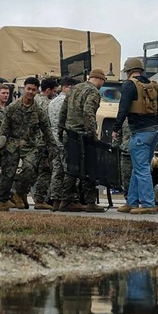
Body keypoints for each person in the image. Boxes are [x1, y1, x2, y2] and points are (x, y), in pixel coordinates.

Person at [113, 56, 158, 214]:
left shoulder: (130, 85)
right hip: (153, 131)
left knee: (141, 169)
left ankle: (148, 204)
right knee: (138, 168)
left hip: (139, 133)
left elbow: (123, 109)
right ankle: (132, 202)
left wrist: (116, 128)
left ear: (128, 71)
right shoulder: (153, 86)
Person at [0, 78, 53, 210]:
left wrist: (52, 147)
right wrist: (1, 146)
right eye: (28, 89)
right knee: (8, 173)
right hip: (12, 144)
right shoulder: (12, 108)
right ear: (24, 89)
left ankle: (19, 194)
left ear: (37, 91)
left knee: (29, 169)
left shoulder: (39, 110)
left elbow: (47, 130)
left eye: (33, 90)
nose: (30, 92)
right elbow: (4, 129)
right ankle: (3, 200)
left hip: (30, 145)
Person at [56, 67, 107, 212]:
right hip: (83, 135)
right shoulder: (93, 92)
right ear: (101, 79)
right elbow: (88, 112)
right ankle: (90, 202)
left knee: (72, 169)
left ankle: (66, 200)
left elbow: (63, 112)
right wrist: (93, 135)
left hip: (69, 134)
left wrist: (61, 132)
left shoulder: (74, 89)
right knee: (89, 169)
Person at [31, 76, 60, 208]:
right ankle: (40, 200)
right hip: (43, 142)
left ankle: (17, 195)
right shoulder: (48, 104)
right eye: (54, 91)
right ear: (48, 90)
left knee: (31, 170)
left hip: (32, 142)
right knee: (45, 170)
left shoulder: (34, 100)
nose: (55, 94)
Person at [46, 76, 75, 205]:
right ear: (65, 87)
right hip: (64, 140)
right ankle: (67, 198)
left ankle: (55, 198)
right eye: (72, 88)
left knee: (57, 170)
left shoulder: (52, 101)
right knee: (68, 170)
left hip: (54, 139)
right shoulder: (67, 102)